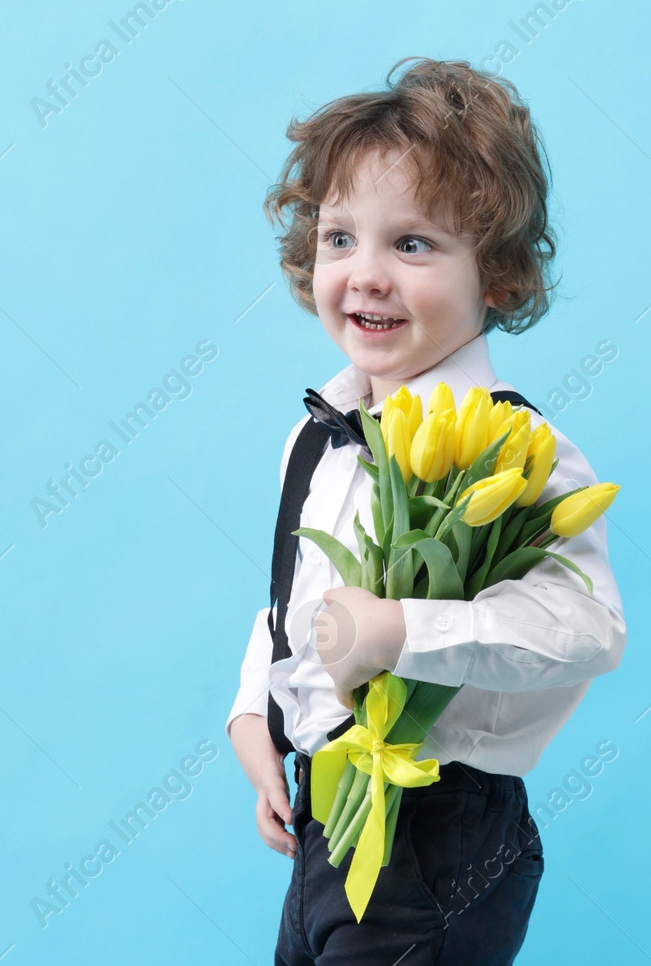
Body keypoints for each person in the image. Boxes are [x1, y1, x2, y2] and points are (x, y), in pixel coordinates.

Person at [225, 57, 626, 965]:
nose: (365, 274)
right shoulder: (317, 435)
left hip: (444, 839)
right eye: (339, 238)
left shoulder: (516, 452)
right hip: (324, 822)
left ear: (501, 275)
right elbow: (295, 602)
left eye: (412, 244)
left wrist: (403, 630)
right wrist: (259, 718)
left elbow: (587, 627)